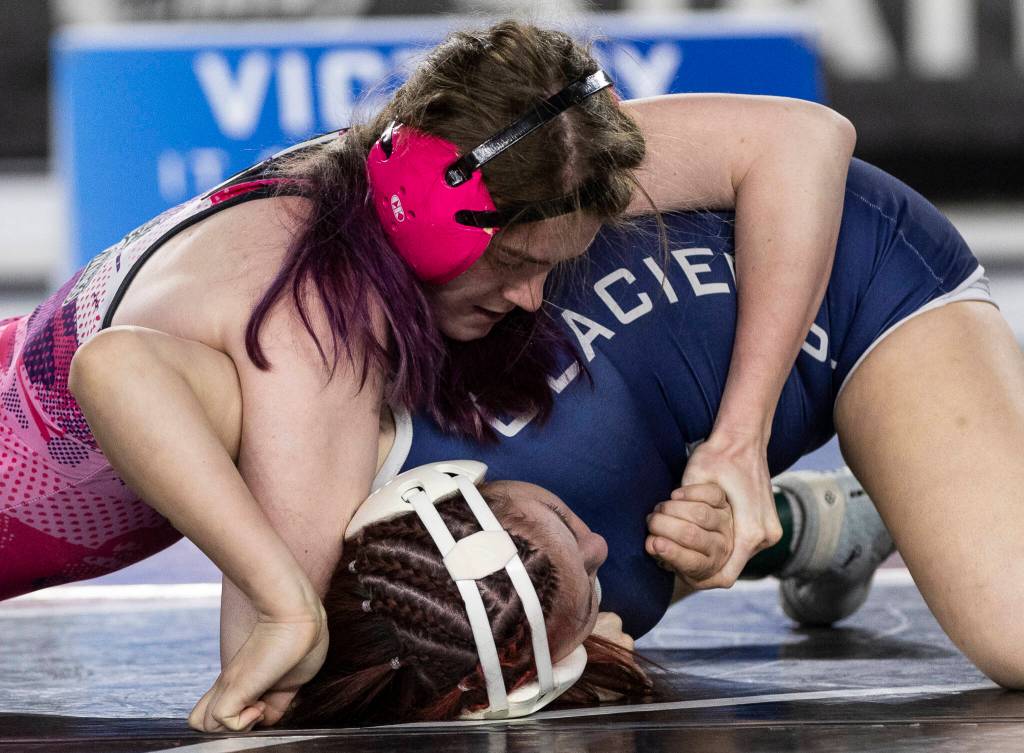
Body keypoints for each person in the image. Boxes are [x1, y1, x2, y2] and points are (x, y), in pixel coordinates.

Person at [0, 20, 857, 733]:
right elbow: (112, 369)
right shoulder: (317, 328)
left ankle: (787, 523)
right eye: (516, 263)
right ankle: (794, 531)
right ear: (427, 220)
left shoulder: (437, 170)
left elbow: (805, 139)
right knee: (444, 575)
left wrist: (739, 439)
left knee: (489, 528)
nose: (531, 298)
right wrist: (287, 604)